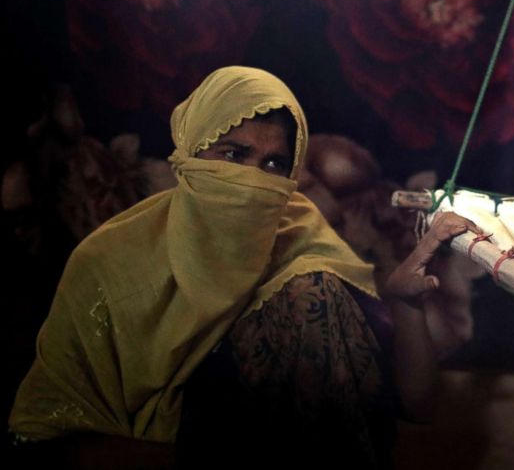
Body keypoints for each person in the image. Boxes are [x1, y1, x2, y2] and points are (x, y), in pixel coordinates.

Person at [8, 66, 480, 467]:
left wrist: (405, 305)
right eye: (233, 155)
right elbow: (46, 435)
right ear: (192, 153)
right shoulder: (112, 260)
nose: (253, 181)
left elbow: (415, 404)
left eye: (274, 163)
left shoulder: (303, 237)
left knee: (311, 293)